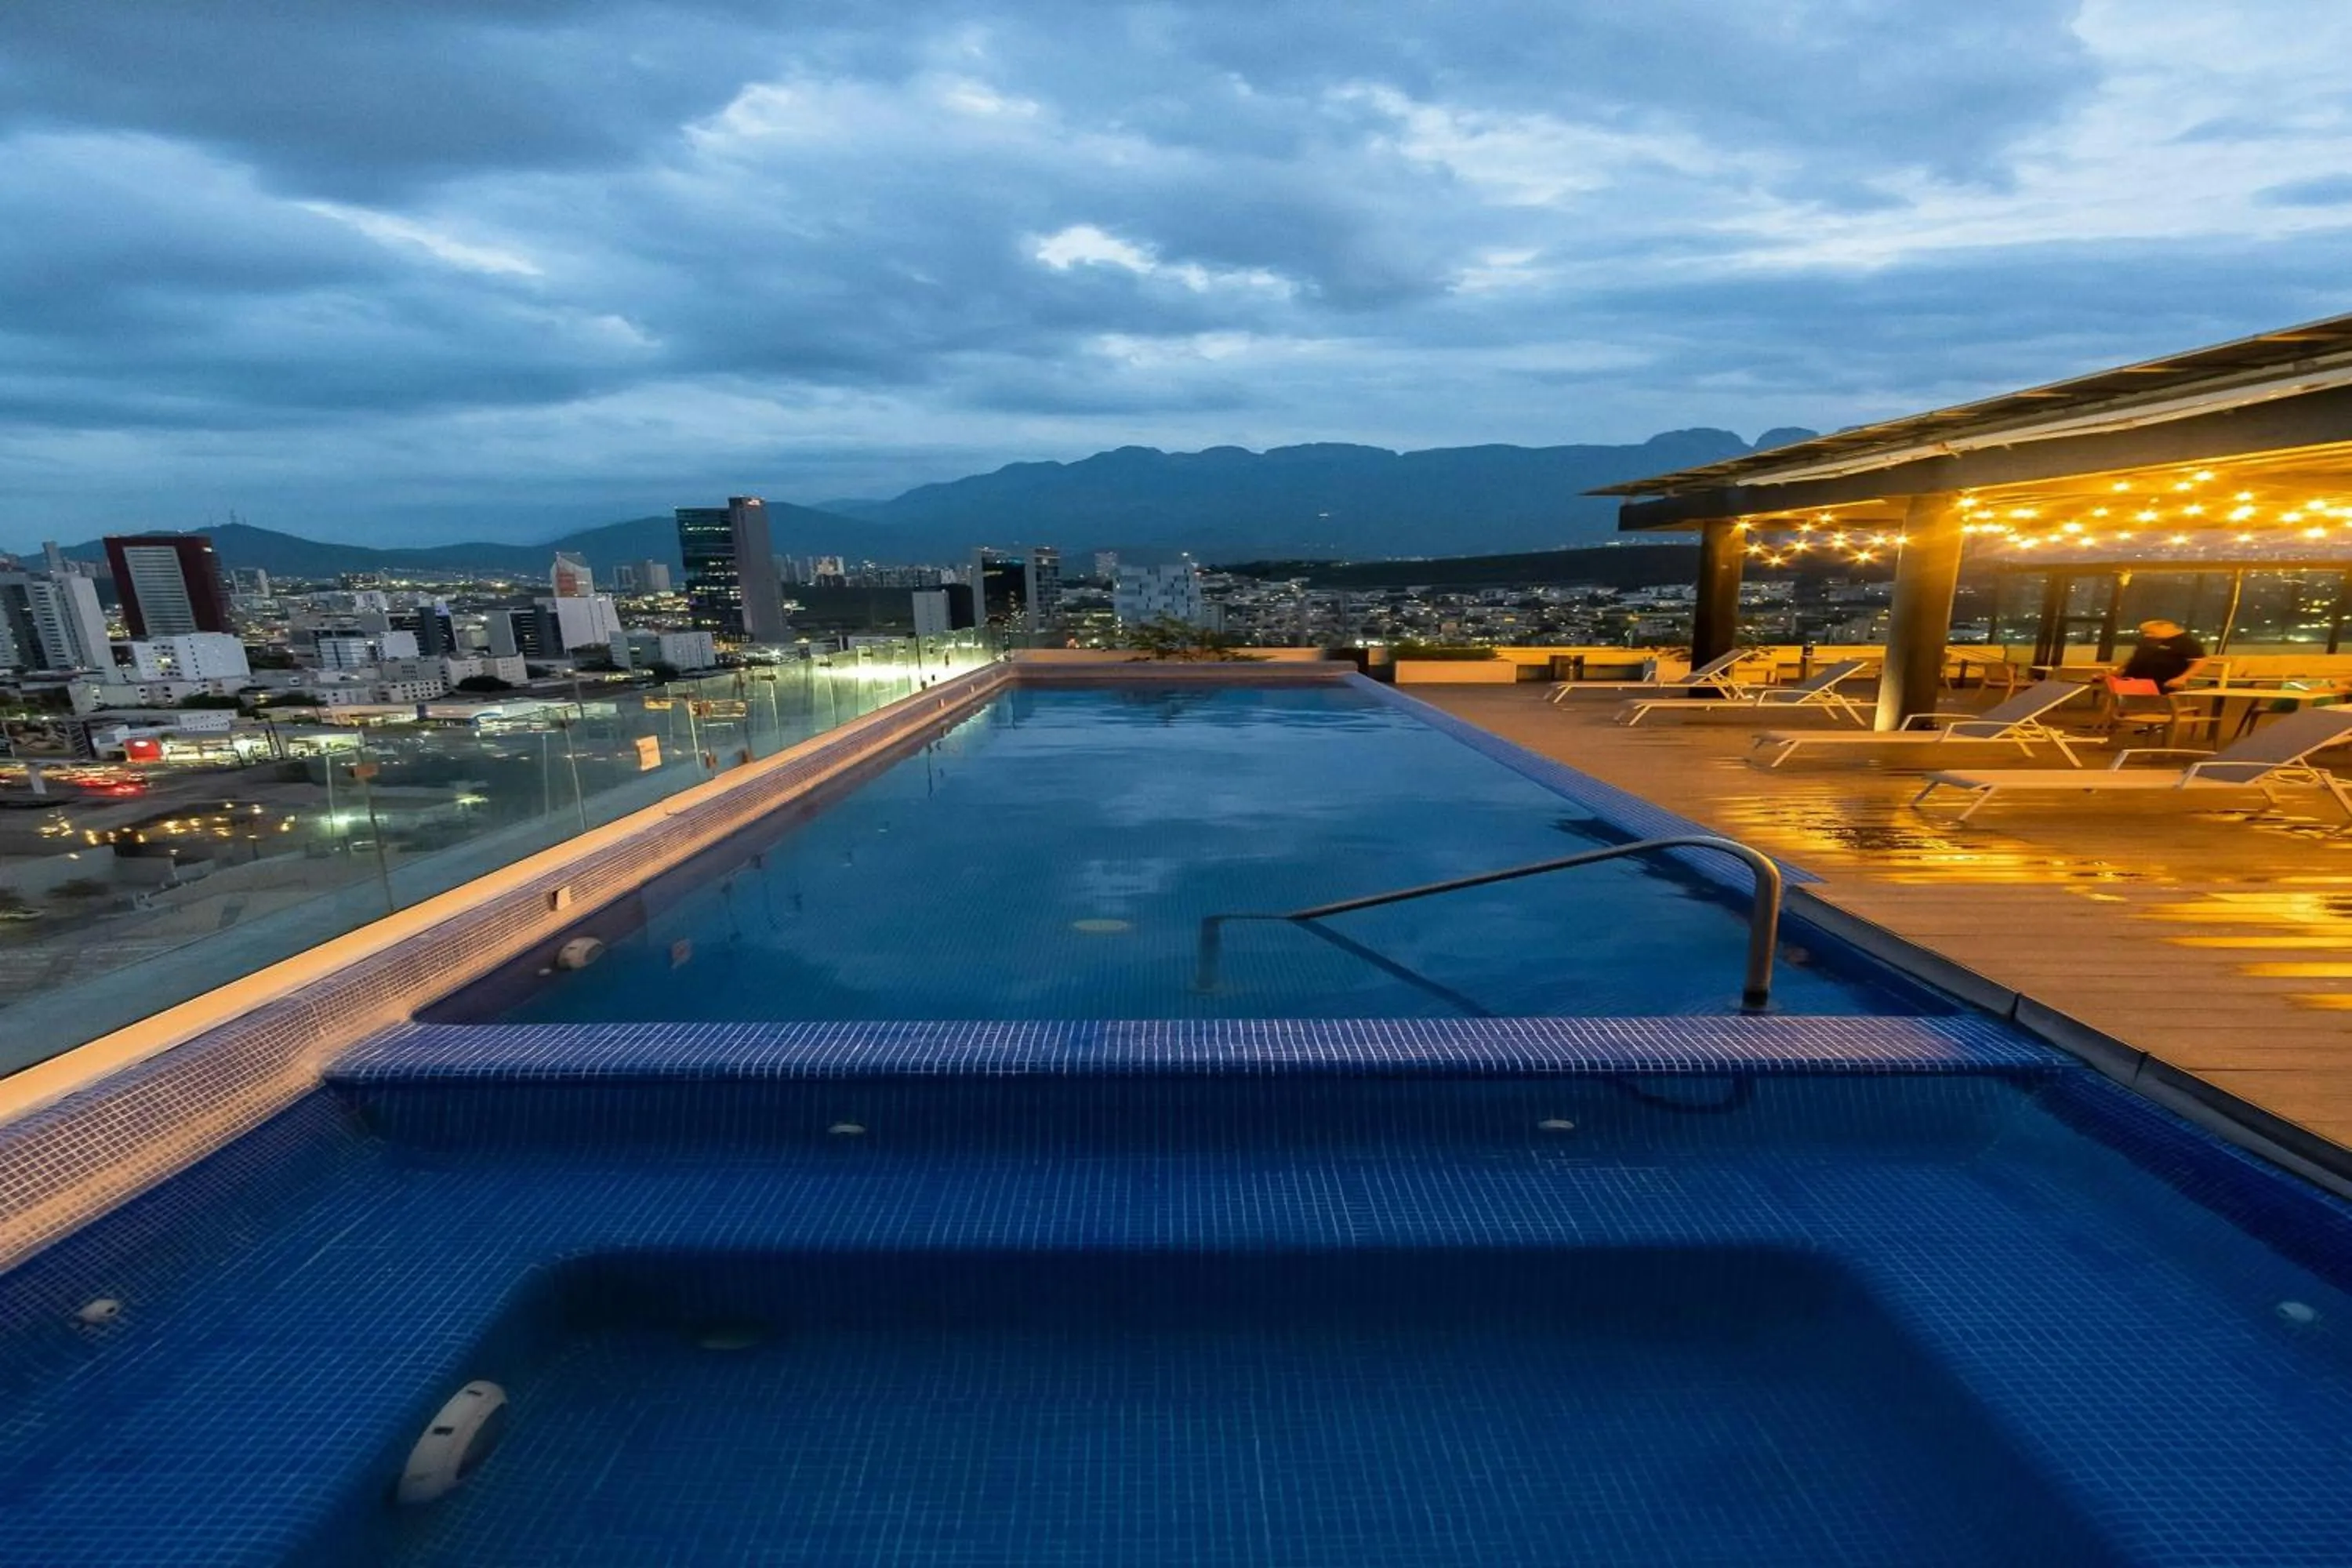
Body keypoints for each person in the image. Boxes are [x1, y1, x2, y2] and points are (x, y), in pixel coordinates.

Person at [2117, 619, 2209, 691]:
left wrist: (2182, 678)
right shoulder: (2147, 641)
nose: (2147, 635)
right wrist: (2120, 670)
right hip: (2131, 680)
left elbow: (2200, 662)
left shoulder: (2187, 643)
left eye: (2151, 632)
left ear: (2167, 628)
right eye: (2145, 633)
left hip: (2161, 683)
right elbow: (2135, 658)